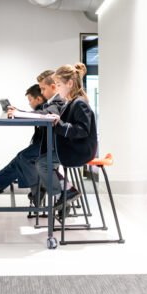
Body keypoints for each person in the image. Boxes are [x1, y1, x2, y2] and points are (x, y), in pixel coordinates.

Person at [0, 71, 66, 206]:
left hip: (52, 147)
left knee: (23, 157)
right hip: (47, 145)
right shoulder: (52, 102)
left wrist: (19, 113)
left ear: (53, 87)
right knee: (21, 158)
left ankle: (38, 190)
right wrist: (18, 112)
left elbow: (45, 114)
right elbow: (41, 114)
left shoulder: (57, 102)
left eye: (43, 89)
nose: (42, 92)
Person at [36, 63, 98, 210]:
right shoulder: (71, 102)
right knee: (42, 161)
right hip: (73, 148)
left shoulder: (80, 103)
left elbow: (82, 130)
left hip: (79, 151)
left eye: (59, 84)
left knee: (42, 163)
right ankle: (65, 191)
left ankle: (64, 193)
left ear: (70, 84)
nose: (57, 89)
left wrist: (59, 124)